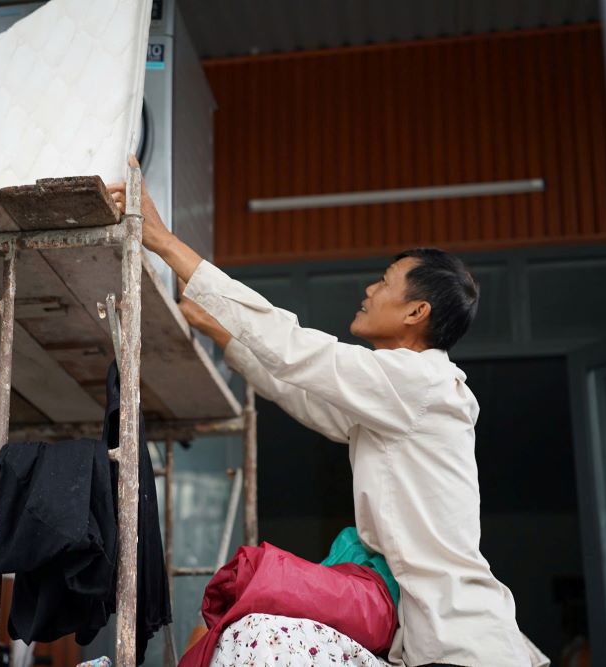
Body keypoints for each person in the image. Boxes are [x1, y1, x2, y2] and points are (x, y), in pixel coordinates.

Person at [108, 167, 548, 667]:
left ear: (415, 312)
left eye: (385, 282)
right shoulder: (400, 398)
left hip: (465, 643)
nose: (369, 290)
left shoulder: (420, 382)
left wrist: (164, 242)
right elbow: (303, 394)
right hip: (438, 638)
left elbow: (295, 347)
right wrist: (223, 331)